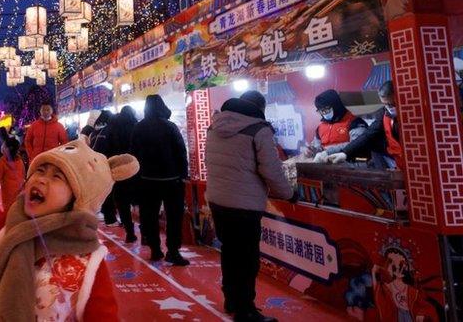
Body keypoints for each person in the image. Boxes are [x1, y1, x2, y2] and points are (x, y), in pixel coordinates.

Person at [0, 112, 139, 322]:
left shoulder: (88, 264)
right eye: (40, 170)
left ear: (78, 200)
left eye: (57, 177)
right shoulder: (7, 232)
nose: (42, 180)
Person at [205, 91, 295, 322]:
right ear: (259, 108)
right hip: (244, 205)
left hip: (218, 201)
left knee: (230, 253)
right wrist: (288, 194)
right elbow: (272, 170)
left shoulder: (214, 126)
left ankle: (232, 300)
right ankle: (245, 310)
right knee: (246, 258)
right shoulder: (258, 129)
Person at [131, 95, 190, 265]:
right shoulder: (170, 126)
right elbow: (180, 152)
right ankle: (173, 251)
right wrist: (182, 175)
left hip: (147, 180)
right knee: (173, 216)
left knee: (149, 216)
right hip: (171, 180)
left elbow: (133, 154)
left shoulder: (138, 127)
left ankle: (155, 249)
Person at [330, 81, 402, 168]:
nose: (389, 108)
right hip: (393, 157)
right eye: (385, 104)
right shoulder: (384, 113)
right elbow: (368, 134)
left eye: (391, 104)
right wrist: (345, 153)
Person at [102, 105, 140, 243]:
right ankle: (145, 232)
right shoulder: (136, 126)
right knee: (138, 201)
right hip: (134, 169)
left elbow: (106, 150)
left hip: (118, 171)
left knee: (122, 202)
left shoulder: (111, 129)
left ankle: (129, 231)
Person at [309, 89, 369, 162]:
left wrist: (328, 151)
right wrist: (312, 150)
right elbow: (317, 146)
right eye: (321, 111)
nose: (324, 113)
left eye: (327, 109)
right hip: (326, 166)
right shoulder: (320, 128)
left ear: (336, 105)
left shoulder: (354, 122)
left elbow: (357, 144)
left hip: (350, 163)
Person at [88, 110, 116, 224]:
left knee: (101, 191)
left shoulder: (94, 132)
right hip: (107, 164)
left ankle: (102, 214)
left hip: (95, 164)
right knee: (108, 192)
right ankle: (110, 219)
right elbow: (113, 147)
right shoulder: (110, 130)